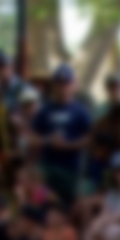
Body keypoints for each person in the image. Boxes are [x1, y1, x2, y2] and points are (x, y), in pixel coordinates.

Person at [29, 64, 92, 207]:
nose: (63, 88)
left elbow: (90, 138)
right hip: (48, 165)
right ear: (54, 86)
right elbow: (31, 138)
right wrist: (48, 140)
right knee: (40, 198)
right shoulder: (45, 110)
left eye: (66, 83)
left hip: (71, 168)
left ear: (73, 85)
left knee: (70, 204)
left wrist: (68, 145)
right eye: (59, 83)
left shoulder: (81, 111)